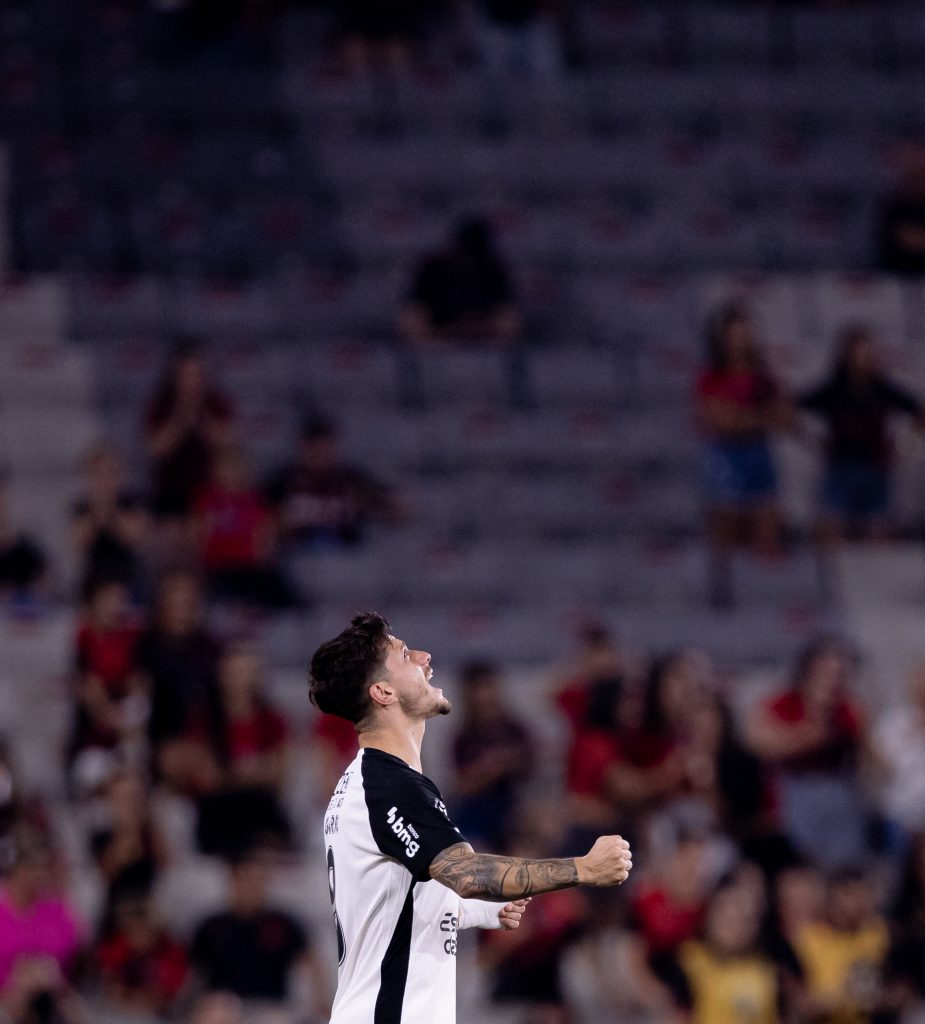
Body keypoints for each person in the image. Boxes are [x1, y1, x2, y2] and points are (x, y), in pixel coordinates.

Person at [308, 612, 632, 1024]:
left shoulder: (371, 782)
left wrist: (482, 912)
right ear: (384, 692)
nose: (424, 657)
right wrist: (584, 868)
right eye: (405, 655)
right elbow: (467, 874)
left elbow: (395, 903)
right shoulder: (388, 786)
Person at [694, 303, 790, 609]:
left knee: (766, 521)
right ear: (722, 338)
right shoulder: (712, 377)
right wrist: (757, 417)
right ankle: (723, 595)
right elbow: (719, 421)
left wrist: (742, 417)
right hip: (726, 455)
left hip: (759, 453)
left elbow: (783, 416)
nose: (741, 339)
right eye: (735, 333)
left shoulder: (763, 377)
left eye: (745, 332)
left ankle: (767, 595)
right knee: (727, 523)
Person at [746, 639, 867, 870]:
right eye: (827, 673)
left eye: (840, 675)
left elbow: (865, 756)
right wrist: (812, 725)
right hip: (792, 794)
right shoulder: (783, 703)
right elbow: (759, 741)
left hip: (837, 797)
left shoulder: (848, 709)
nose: (834, 682)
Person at [800, 325, 923, 542]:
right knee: (831, 532)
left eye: (868, 353)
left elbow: (919, 414)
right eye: (859, 353)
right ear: (847, 355)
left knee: (880, 534)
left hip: (876, 470)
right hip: (840, 470)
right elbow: (790, 409)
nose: (864, 359)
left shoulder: (881, 388)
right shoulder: (835, 388)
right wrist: (811, 440)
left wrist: (903, 445)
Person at [190, 845, 329, 1017]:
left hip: (271, 1006)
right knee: (216, 1011)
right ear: (232, 882)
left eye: (256, 882)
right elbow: (192, 971)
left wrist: (321, 1001)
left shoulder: (282, 923)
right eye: (244, 881)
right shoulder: (212, 926)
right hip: (223, 1003)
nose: (250, 888)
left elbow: (310, 961)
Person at [144, 338, 232, 559]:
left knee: (201, 554)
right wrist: (180, 418)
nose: (191, 381)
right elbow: (157, 449)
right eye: (186, 375)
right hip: (170, 492)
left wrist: (200, 417)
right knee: (170, 555)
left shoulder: (216, 403)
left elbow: (225, 445)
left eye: (196, 374)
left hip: (208, 492)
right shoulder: (161, 405)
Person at [267, 415, 403, 551]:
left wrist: (371, 505)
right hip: (297, 556)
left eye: (324, 450)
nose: (320, 457)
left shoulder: (353, 480)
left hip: (351, 557)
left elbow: (398, 511)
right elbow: (263, 523)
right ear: (302, 449)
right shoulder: (282, 482)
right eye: (314, 451)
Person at [449, 660, 534, 850]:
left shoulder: (514, 729)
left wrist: (512, 761)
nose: (485, 695)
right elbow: (462, 785)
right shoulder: (464, 736)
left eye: (488, 686)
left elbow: (531, 765)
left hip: (511, 810)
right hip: (474, 814)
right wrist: (489, 769)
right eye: (479, 688)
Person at [71, 443, 149, 598]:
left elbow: (134, 537)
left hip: (127, 579)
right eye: (99, 474)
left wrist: (111, 509)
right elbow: (79, 541)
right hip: (94, 582)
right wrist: (96, 510)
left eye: (110, 472)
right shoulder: (82, 506)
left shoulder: (131, 502)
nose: (105, 479)